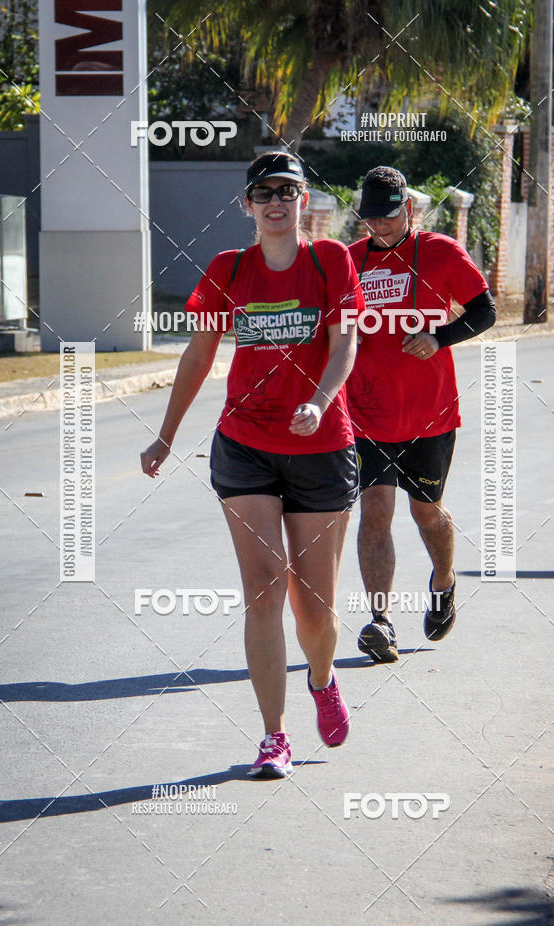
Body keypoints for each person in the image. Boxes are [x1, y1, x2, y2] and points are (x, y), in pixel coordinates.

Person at [141, 151, 364, 777]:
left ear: (302, 202)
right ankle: (274, 736)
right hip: (245, 445)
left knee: (314, 605)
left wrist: (320, 404)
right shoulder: (228, 269)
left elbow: (346, 339)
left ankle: (321, 679)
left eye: (286, 192)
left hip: (321, 448)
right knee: (264, 586)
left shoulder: (331, 261)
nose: (275, 202)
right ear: (247, 205)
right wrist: (165, 436)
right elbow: (198, 354)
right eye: (263, 193)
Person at [347, 166, 496, 662]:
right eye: (371, 218)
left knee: (426, 513)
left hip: (430, 414)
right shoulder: (350, 261)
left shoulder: (441, 252)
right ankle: (380, 621)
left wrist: (439, 338)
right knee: (375, 513)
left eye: (388, 216)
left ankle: (444, 581)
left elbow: (485, 310)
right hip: (366, 413)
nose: (379, 227)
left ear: (407, 209)